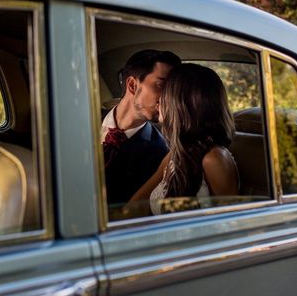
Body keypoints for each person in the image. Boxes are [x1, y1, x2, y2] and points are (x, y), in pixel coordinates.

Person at [129, 63, 239, 215]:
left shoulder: (215, 159)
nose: (159, 101)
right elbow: (135, 205)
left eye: (166, 94)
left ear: (183, 104)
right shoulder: (174, 156)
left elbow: (231, 224)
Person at [102, 49, 181, 205]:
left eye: (171, 91)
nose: (168, 98)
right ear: (132, 85)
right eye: (161, 86)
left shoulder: (159, 152)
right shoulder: (81, 121)